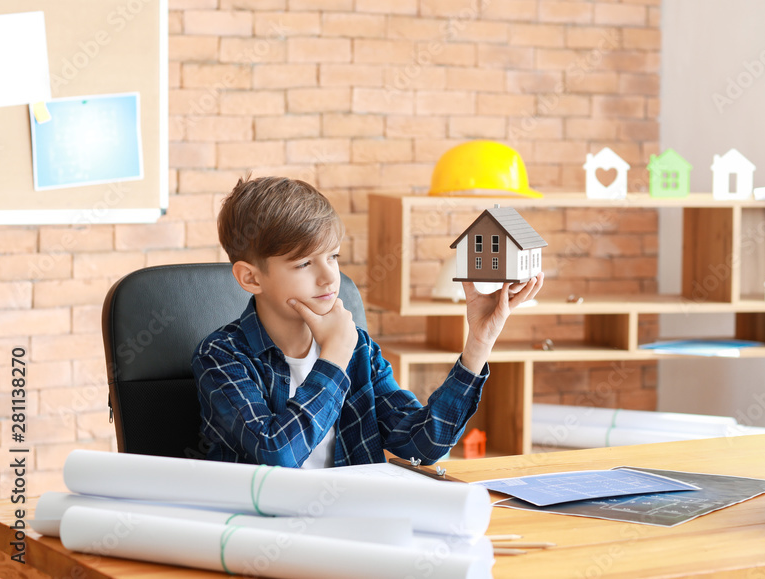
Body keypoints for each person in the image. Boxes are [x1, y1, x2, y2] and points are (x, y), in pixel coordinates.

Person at [192, 176, 542, 468]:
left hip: (355, 519)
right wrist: (333, 359)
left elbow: (422, 446)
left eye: (332, 256)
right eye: (304, 264)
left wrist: (478, 342)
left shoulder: (356, 346)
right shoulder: (221, 357)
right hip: (265, 533)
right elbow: (278, 455)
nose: (330, 278)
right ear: (251, 279)